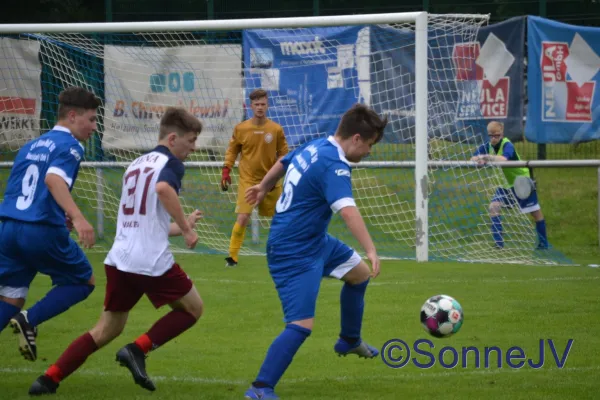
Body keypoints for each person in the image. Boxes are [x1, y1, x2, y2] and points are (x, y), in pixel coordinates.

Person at [28, 107, 204, 395]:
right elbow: (163, 189)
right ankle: (137, 350)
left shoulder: (135, 164)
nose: (194, 148)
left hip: (120, 259)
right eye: (191, 141)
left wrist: (178, 224)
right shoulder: (171, 164)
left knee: (106, 329)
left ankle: (49, 378)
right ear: (173, 138)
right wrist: (185, 228)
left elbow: (143, 220)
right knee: (193, 309)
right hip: (149, 260)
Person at [242, 104, 386, 399]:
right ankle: (260, 388)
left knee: (358, 274)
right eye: (370, 145)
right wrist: (371, 248)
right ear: (356, 139)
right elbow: (347, 210)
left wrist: (263, 186)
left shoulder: (317, 145)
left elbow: (285, 159)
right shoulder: (334, 163)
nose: (369, 152)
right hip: (292, 250)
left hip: (313, 240)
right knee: (300, 324)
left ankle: (349, 339)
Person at [0, 86, 100, 361]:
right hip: (39, 231)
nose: (94, 127)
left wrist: (60, 212)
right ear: (71, 116)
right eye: (90, 119)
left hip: (8, 228)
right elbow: (53, 180)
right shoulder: (71, 146)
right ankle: (30, 319)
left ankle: (21, 315)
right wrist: (79, 219)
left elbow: (19, 191)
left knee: (11, 296)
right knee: (84, 280)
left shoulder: (31, 146)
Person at [221, 89, 288, 267]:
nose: (260, 107)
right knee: (243, 217)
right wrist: (226, 169)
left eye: (263, 104)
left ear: (268, 105)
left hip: (271, 181)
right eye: (256, 104)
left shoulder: (275, 129)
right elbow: (232, 150)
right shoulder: (241, 129)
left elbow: (283, 154)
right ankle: (232, 257)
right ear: (251, 106)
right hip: (248, 181)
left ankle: (282, 253)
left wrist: (279, 168)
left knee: (280, 218)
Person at [471, 121, 548, 249]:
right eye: (491, 136)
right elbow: (473, 157)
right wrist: (478, 160)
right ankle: (498, 245)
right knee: (493, 207)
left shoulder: (507, 144)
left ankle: (543, 244)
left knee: (536, 213)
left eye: (497, 135)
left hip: (521, 181)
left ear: (501, 134)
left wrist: (486, 157)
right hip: (506, 185)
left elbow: (504, 159)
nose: (494, 138)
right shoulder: (488, 146)